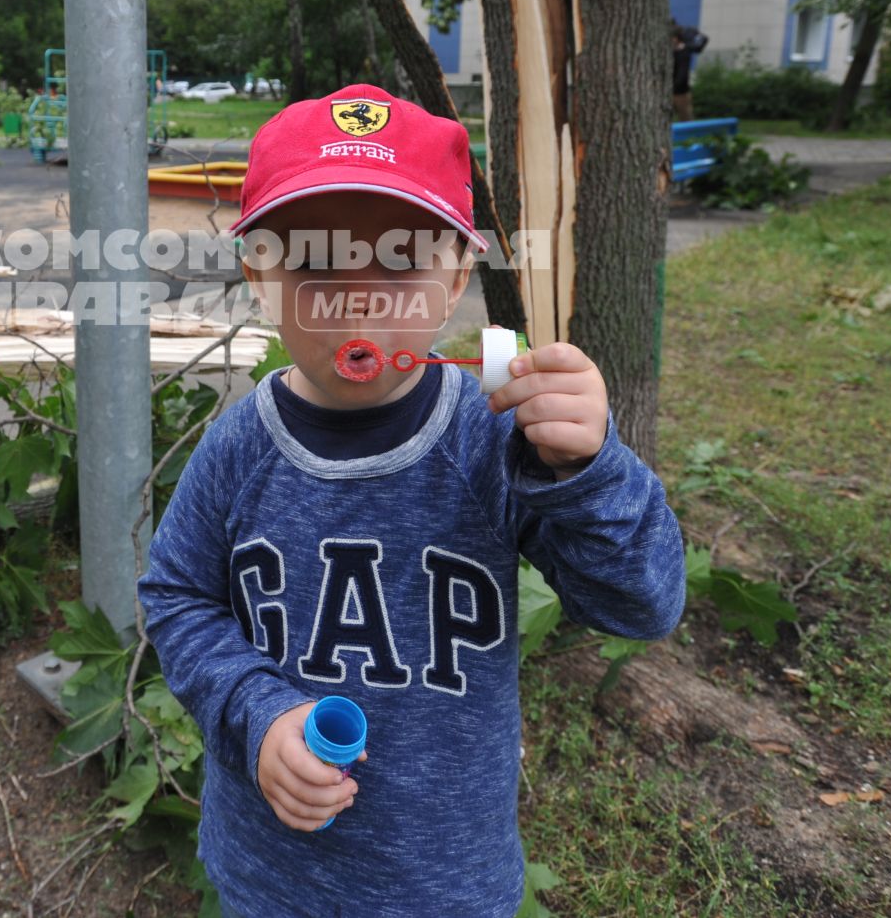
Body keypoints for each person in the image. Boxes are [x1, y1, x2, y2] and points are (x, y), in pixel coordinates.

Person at [137, 85, 687, 918]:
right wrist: (257, 712)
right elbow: (176, 597)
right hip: (270, 878)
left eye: (400, 260)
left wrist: (590, 470)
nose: (360, 297)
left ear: (458, 273)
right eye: (316, 263)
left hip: (446, 885)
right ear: (259, 272)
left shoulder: (496, 440)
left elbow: (643, 603)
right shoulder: (238, 449)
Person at [671, 18, 708, 122]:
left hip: (680, 90)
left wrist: (686, 47)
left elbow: (702, 41)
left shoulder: (685, 47)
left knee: (685, 116)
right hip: (671, 88)